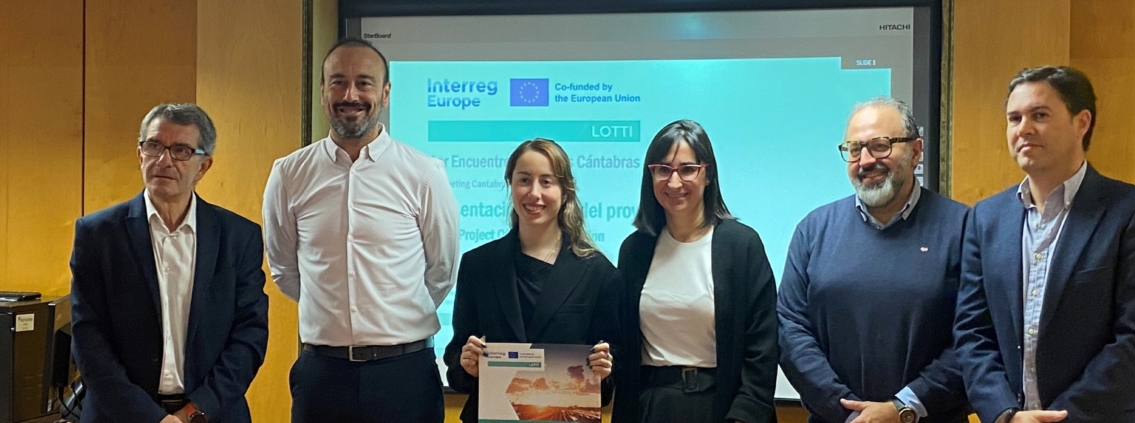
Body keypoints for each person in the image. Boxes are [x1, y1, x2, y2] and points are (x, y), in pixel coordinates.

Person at [954, 66, 1135, 423]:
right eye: (1014, 118)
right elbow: (972, 333)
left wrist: (1062, 417)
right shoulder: (986, 218)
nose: (1024, 128)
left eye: (1040, 115)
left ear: (1081, 122)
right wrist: (1004, 413)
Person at [263, 38, 459, 423]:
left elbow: (441, 272)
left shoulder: (424, 173)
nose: (350, 95)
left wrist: (391, 316)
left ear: (385, 94)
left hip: (405, 375)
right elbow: (285, 270)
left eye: (364, 83)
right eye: (338, 82)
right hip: (323, 375)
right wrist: (332, 312)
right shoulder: (288, 174)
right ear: (323, 91)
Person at [69, 103, 269, 423]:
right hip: (118, 415)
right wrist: (151, 418)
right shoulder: (98, 234)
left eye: (181, 150)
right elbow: (88, 339)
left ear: (203, 167)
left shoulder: (238, 237)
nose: (164, 160)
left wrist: (193, 413)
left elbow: (249, 336)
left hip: (210, 415)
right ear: (140, 155)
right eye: (154, 146)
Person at [778, 97, 970, 423]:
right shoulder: (814, 230)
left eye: (880, 146)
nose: (866, 160)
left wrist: (903, 408)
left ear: (916, 151)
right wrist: (848, 412)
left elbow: (974, 336)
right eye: (854, 149)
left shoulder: (964, 228)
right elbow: (790, 327)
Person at [612, 119, 778, 423]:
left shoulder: (741, 246)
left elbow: (762, 348)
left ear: (708, 174)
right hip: (651, 408)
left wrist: (744, 416)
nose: (674, 182)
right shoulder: (634, 250)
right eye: (663, 170)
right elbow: (622, 345)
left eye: (688, 169)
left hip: (722, 408)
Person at [444, 138, 619, 422]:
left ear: (565, 192)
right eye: (524, 180)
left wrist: (603, 371)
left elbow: (611, 376)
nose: (534, 193)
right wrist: (467, 365)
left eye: (546, 182)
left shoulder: (598, 272)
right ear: (511, 185)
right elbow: (456, 361)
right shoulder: (478, 265)